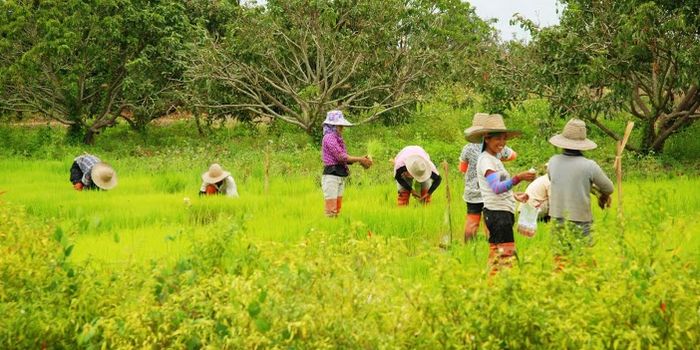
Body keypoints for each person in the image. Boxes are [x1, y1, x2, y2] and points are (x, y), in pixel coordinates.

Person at [467, 114, 536, 274]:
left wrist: (515, 195)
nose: (502, 143)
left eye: (504, 139)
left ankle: (491, 289)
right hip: (498, 215)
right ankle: (501, 289)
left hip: (500, 213)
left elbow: (502, 188)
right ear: (487, 139)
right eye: (498, 139)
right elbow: (497, 187)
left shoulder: (495, 160)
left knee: (496, 257)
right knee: (506, 257)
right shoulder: (486, 160)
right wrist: (519, 177)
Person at [547, 119, 613, 256]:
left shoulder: (553, 161)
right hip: (580, 219)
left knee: (560, 259)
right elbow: (608, 187)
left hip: (557, 217)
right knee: (582, 260)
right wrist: (599, 193)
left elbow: (553, 180)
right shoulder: (589, 165)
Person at [460, 113, 517, 241]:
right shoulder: (499, 147)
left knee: (472, 219)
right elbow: (513, 155)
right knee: (490, 220)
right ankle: (491, 240)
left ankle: (469, 244)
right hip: (492, 193)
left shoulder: (467, 148)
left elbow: (462, 168)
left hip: (472, 190)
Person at [321, 110, 373, 217]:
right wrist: (360, 159)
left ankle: (335, 229)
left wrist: (361, 160)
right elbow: (341, 157)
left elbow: (345, 158)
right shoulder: (328, 138)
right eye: (340, 126)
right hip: (331, 176)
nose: (342, 128)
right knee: (331, 210)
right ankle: (329, 229)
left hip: (339, 175)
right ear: (333, 126)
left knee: (337, 208)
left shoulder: (338, 139)